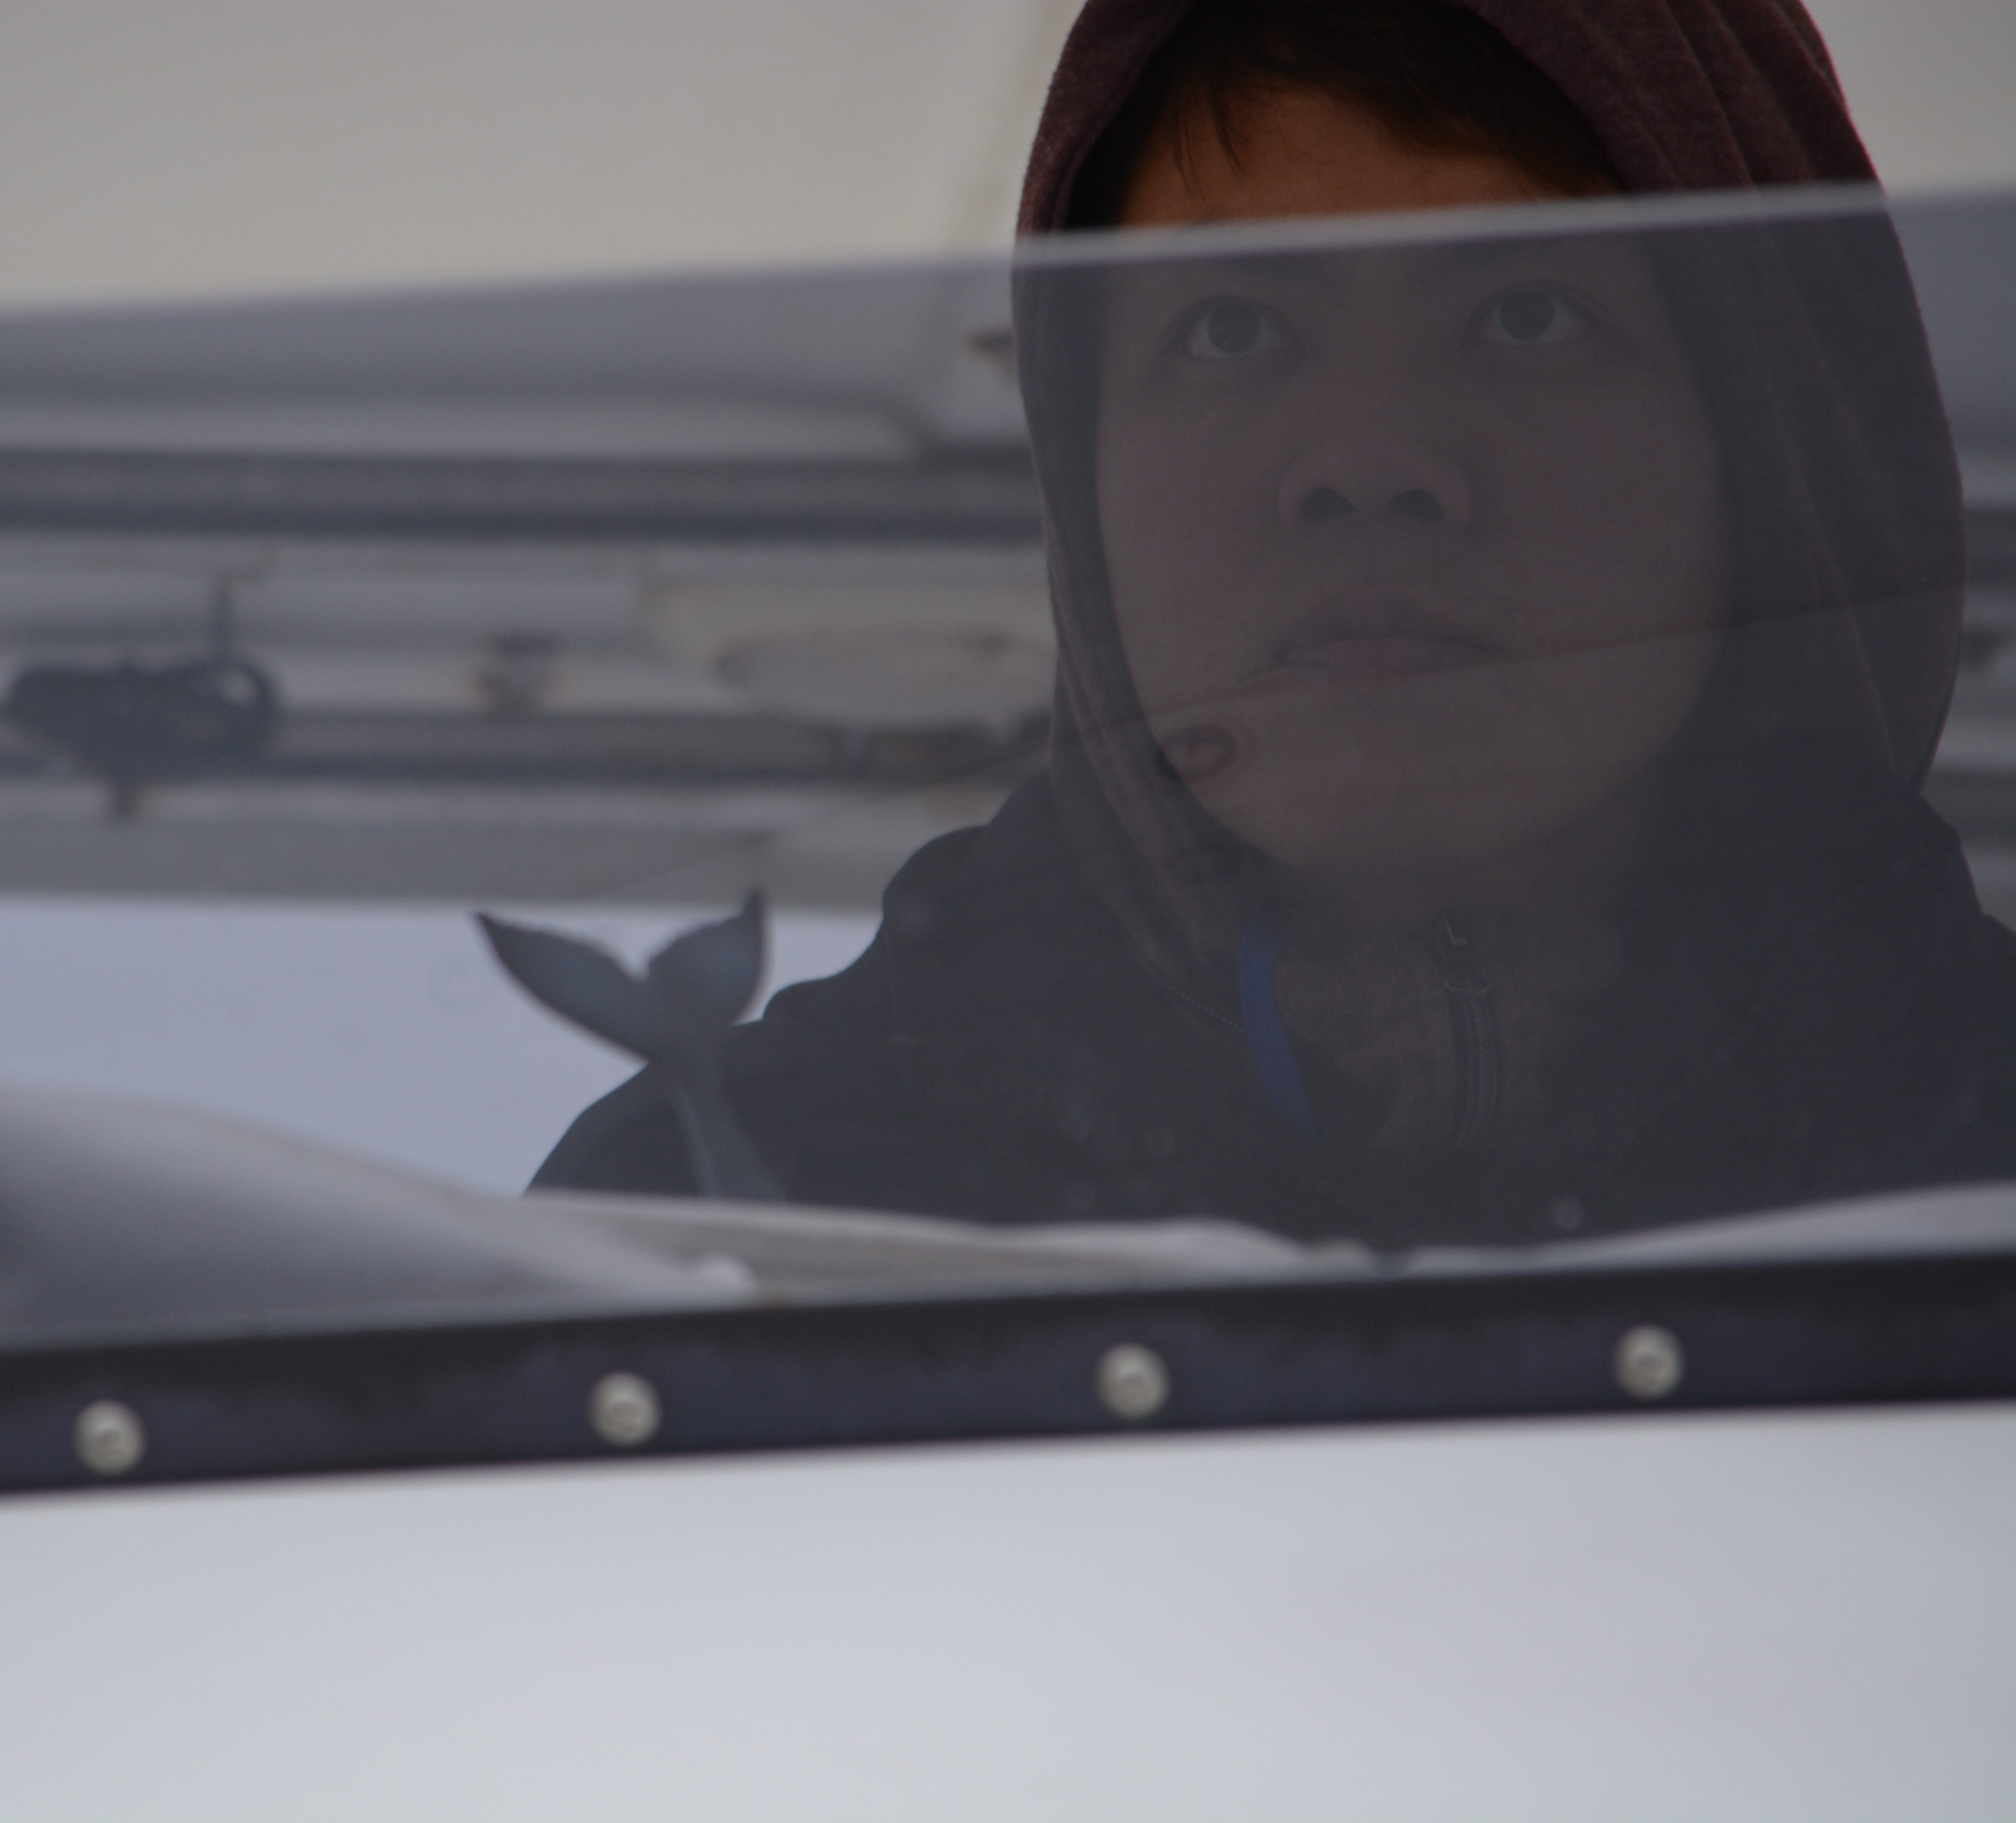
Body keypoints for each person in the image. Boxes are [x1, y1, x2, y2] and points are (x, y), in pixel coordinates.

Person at [536, 0, 2016, 1245]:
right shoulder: (730, 1209)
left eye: (1530, 316)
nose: (1368, 460)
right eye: (1232, 328)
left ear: (1767, 446)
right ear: (1087, 473)